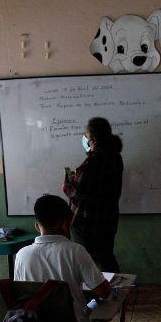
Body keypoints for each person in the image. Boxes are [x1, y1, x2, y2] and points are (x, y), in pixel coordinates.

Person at [14, 194, 111, 322]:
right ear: (66, 223)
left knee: (85, 305)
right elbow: (104, 291)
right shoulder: (75, 250)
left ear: (37, 225)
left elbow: (23, 295)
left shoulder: (21, 255)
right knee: (96, 306)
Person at [63, 116, 124, 272]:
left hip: (87, 221)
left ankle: (97, 287)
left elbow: (77, 194)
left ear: (94, 139)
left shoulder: (93, 161)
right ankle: (115, 286)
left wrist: (67, 186)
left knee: (88, 261)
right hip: (108, 217)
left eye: (87, 135)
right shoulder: (115, 157)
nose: (85, 138)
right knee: (106, 257)